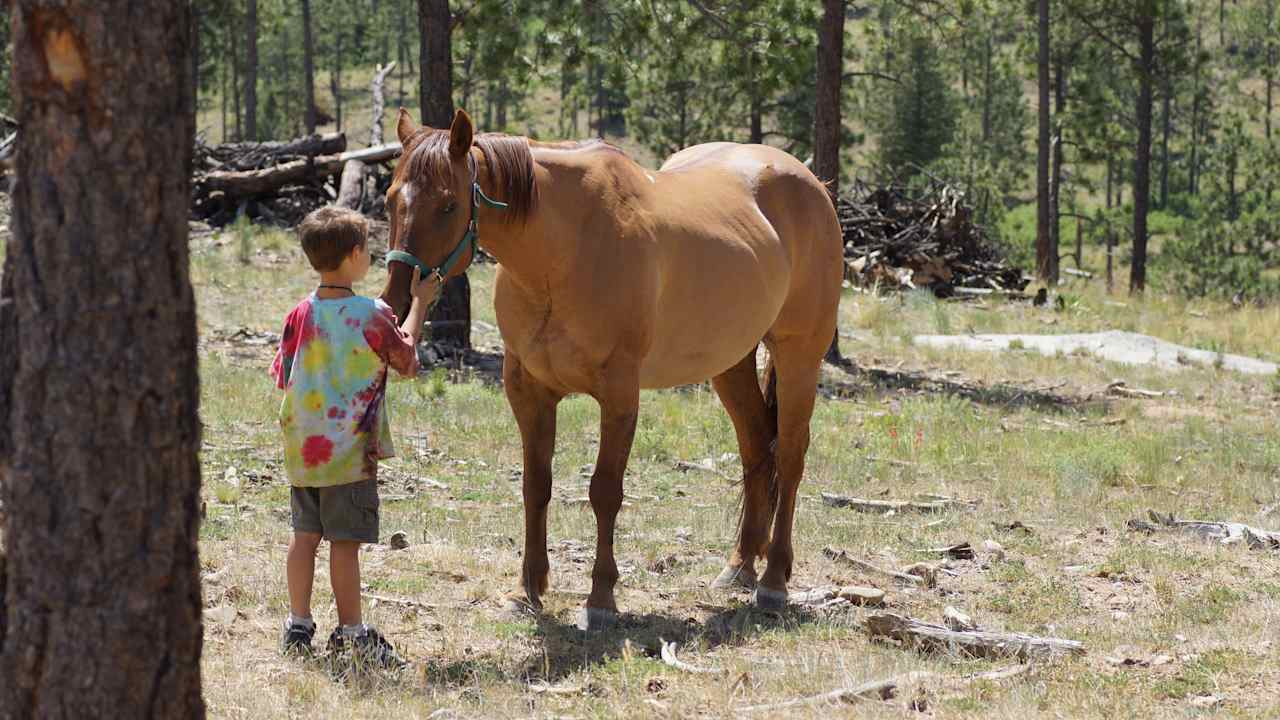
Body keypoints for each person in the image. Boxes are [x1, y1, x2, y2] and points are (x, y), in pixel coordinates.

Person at [270, 206, 438, 667]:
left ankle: (298, 625)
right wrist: (420, 301)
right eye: (368, 248)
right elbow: (407, 361)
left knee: (304, 535)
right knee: (345, 543)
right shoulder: (373, 313)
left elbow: (283, 375)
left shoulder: (299, 313)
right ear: (355, 255)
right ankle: (352, 633)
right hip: (347, 453)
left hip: (304, 448)